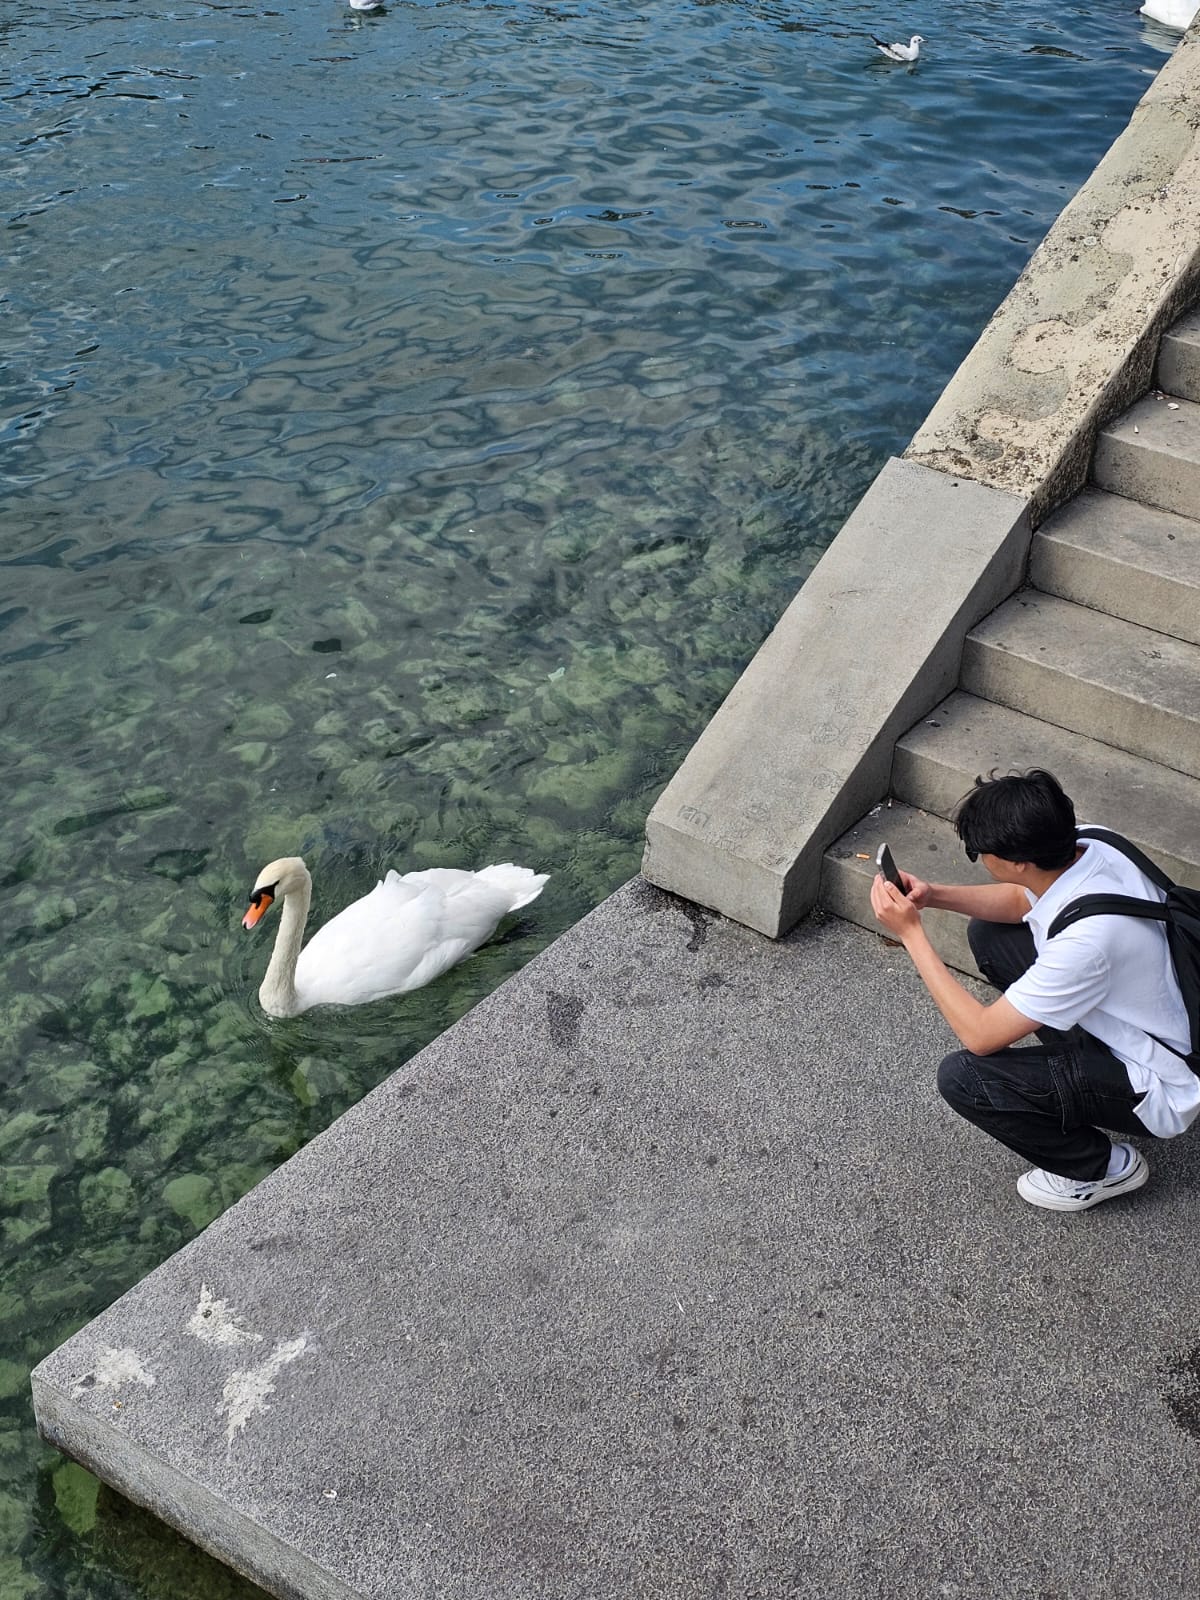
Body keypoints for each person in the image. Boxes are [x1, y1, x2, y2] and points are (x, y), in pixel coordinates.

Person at [870, 768, 1197, 1212]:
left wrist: (912, 935)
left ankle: (1101, 1170)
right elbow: (1025, 899)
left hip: (1160, 1077)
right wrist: (933, 896)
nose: (979, 857)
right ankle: (1067, 1077)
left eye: (977, 852)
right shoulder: (1093, 842)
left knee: (965, 1079)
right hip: (1162, 1015)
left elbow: (979, 1035)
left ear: (1018, 861)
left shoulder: (1087, 944)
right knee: (991, 935)